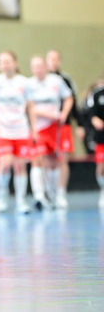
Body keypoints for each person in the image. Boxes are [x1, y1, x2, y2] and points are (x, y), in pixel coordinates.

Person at [0, 51, 36, 213]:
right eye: (2, 62)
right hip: (3, 130)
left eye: (8, 61)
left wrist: (33, 129)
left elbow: (30, 107)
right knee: (5, 163)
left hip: (21, 130)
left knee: (20, 165)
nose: (5, 65)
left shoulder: (24, 82)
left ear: (15, 63)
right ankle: (2, 196)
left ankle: (21, 201)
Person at [27, 56, 73, 210]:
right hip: (38, 128)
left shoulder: (57, 81)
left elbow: (68, 98)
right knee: (37, 160)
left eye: (41, 66)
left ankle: (58, 194)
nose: (38, 70)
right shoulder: (29, 84)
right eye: (35, 67)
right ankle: (39, 196)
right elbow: (30, 108)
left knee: (58, 160)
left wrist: (64, 113)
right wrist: (49, 115)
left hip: (56, 127)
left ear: (45, 67)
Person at [45, 49, 84, 208]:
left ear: (59, 61)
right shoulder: (41, 79)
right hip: (46, 126)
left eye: (56, 59)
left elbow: (73, 101)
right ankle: (50, 193)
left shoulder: (66, 80)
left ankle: (61, 193)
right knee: (49, 161)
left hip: (64, 124)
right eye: (50, 59)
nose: (53, 62)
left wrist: (80, 124)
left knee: (63, 159)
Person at [85, 74, 104, 209]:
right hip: (101, 135)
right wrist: (94, 120)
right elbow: (89, 112)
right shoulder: (96, 94)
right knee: (101, 165)